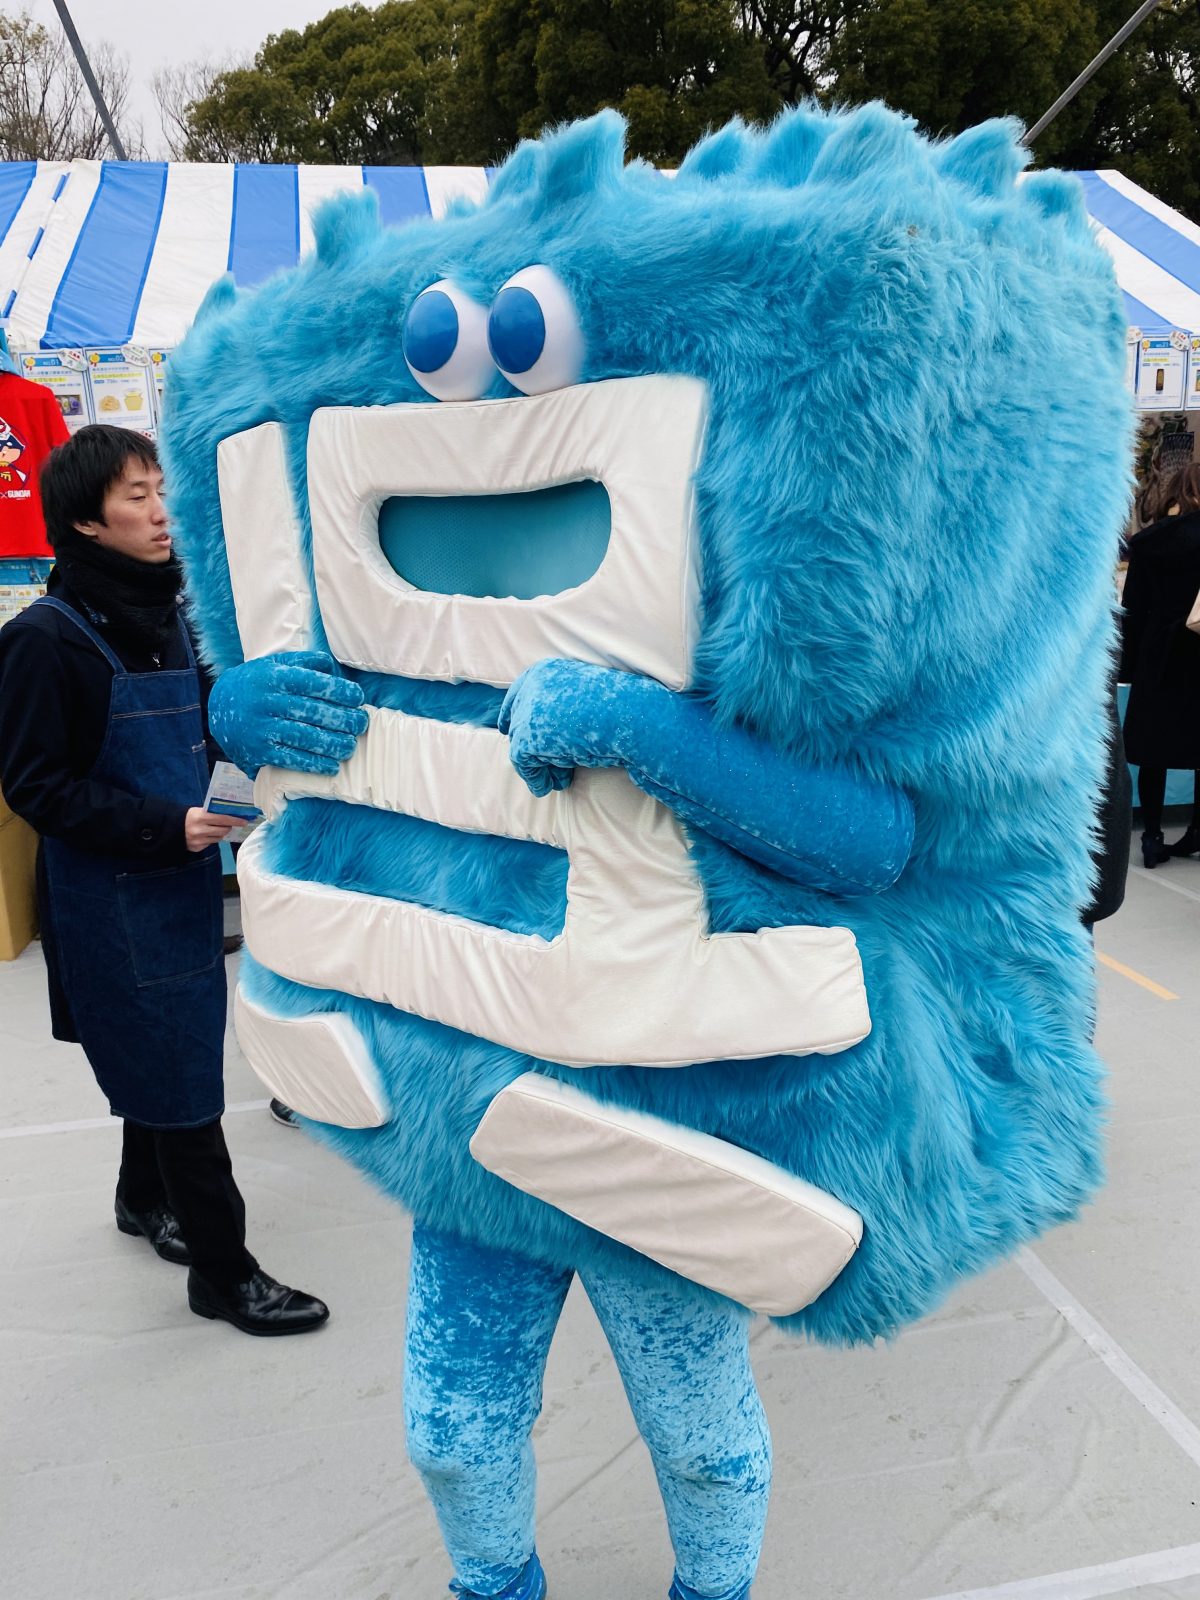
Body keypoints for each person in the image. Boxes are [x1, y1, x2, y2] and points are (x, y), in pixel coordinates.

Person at [0, 424, 328, 1337]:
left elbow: (206, 730)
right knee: (185, 1080)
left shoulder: (176, 617)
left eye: (160, 490)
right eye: (135, 496)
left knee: (167, 1060)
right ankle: (225, 1273)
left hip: (180, 886)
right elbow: (36, 787)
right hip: (110, 903)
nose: (159, 512)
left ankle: (142, 1198)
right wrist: (163, 823)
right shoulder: (45, 640)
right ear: (85, 522)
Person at [1120, 462, 1200, 866]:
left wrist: (1127, 668)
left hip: (1162, 654)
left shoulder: (1152, 542)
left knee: (1155, 748)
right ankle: (1196, 830)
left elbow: (1132, 609)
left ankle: (1152, 834)